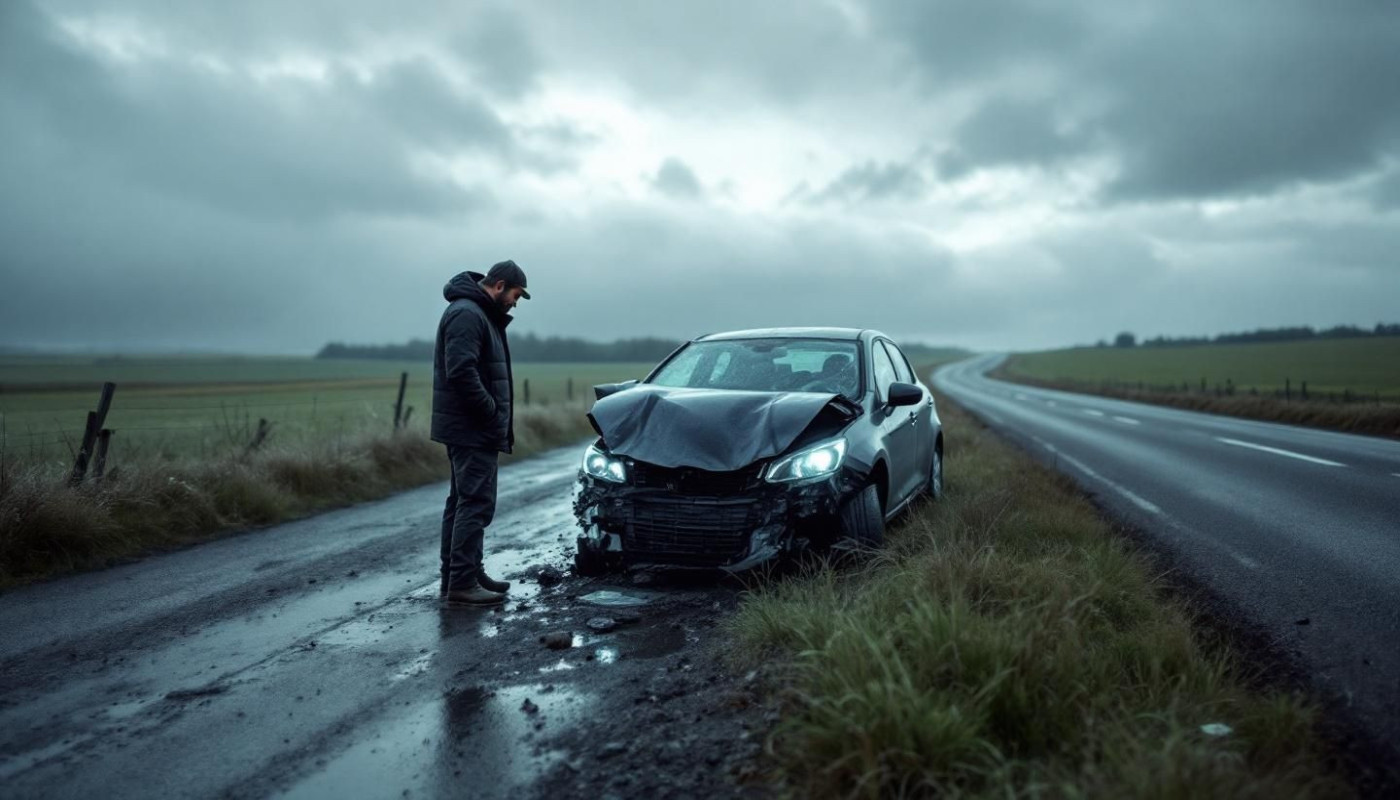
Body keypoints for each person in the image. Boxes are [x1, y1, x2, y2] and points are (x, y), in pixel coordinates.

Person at [431, 260, 530, 606]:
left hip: (470, 426)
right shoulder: (467, 313)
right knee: (474, 502)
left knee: (464, 501)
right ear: (499, 285)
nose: (515, 303)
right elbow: (461, 371)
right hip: (471, 426)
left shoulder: (479, 312)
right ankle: (461, 582)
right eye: (515, 294)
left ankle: (464, 573)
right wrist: (491, 411)